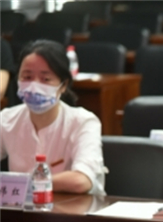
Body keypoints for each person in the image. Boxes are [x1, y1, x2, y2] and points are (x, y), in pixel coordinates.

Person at [0, 40, 105, 195]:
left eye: (45, 79)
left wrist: (21, 185)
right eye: (27, 77)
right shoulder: (6, 119)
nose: (34, 86)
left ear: (63, 85)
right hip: (25, 208)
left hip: (76, 206)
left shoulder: (83, 122)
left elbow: (81, 180)